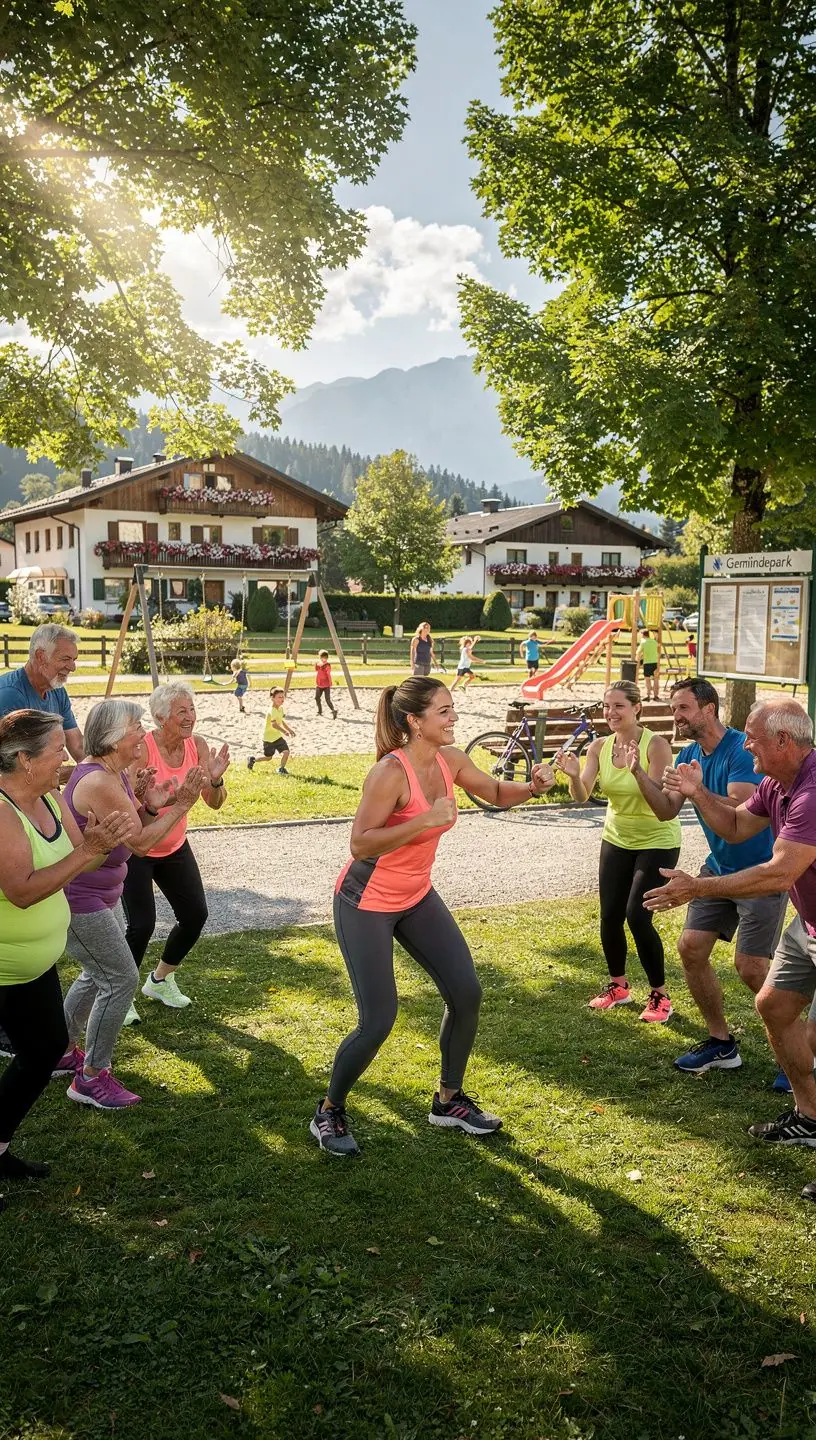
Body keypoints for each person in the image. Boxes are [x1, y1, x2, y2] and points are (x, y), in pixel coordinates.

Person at [310, 676, 556, 1157]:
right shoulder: (390, 773)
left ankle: (448, 1100)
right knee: (378, 1020)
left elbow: (495, 791)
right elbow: (360, 842)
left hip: (416, 894)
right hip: (366, 901)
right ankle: (329, 1110)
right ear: (414, 722)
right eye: (443, 712)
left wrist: (531, 786)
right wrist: (422, 820)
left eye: (452, 709)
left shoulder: (451, 760)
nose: (454, 719)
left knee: (466, 993)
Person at [643, 700, 816, 1193]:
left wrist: (697, 888)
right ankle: (809, 1116)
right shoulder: (776, 784)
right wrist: (698, 794)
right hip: (809, 925)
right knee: (774, 1006)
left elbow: (781, 871)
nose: (748, 744)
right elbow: (738, 826)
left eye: (756, 738)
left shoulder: (812, 791)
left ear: (784, 741)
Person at [629, 678, 787, 1075]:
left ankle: (801, 1050)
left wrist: (697, 790)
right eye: (673, 708)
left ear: (708, 709)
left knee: (751, 968)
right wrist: (637, 774)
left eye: (682, 708)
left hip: (760, 873)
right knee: (691, 948)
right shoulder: (688, 754)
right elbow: (666, 810)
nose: (675, 716)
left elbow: (739, 811)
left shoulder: (740, 749)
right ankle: (721, 1044)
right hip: (718, 868)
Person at [0, 710, 132, 1189]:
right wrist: (85, 853)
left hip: (34, 967)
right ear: (23, 759)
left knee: (43, 1053)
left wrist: (105, 840)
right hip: (3, 970)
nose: (67, 756)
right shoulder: (2, 810)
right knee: (38, 1053)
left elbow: (85, 855)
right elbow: (22, 890)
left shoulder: (51, 797)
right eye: (57, 749)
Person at [61, 699, 206, 1106]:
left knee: (95, 975)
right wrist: (183, 803)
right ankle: (90, 1077)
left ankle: (60, 1048)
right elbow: (141, 843)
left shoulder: (115, 774)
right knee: (121, 978)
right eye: (135, 727)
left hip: (96, 897)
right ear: (111, 739)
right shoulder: (101, 782)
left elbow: (133, 825)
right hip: (81, 900)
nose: (142, 734)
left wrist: (147, 804)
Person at [554, 680, 681, 1021]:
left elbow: (660, 803)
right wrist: (573, 775)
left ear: (636, 708)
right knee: (610, 914)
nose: (610, 713)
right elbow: (582, 795)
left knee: (638, 915)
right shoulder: (598, 746)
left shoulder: (656, 746)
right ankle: (618, 987)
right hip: (617, 838)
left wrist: (635, 768)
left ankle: (660, 995)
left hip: (657, 839)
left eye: (618, 706)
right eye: (606, 706)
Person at [0, 624, 84, 1062]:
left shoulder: (56, 692)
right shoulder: (7, 695)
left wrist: (99, 770)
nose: (71, 666)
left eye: (74, 658)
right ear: (38, 656)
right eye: (64, 659)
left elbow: (75, 746)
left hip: (33, 794)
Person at [122, 682, 228, 1015]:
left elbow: (215, 803)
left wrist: (215, 780)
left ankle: (159, 980)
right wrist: (159, 798)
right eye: (182, 711)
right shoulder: (142, 749)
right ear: (160, 716)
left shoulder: (197, 745)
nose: (190, 717)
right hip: (139, 847)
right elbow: (128, 808)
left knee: (195, 915)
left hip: (174, 845)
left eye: (192, 709)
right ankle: (120, 995)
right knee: (141, 926)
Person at [247, 688, 295, 774]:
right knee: (268, 758)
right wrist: (284, 731)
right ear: (272, 698)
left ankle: (281, 769)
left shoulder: (280, 709)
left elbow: (281, 721)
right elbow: (274, 724)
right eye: (279, 697)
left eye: (283, 697)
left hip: (277, 737)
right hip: (268, 739)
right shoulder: (271, 710)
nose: (282, 699)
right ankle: (253, 760)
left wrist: (289, 730)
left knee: (286, 752)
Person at [636, 629, 660, 700]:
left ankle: (648, 695)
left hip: (647, 663)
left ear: (643, 635)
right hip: (655, 663)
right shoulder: (654, 642)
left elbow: (638, 652)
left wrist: (638, 660)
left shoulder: (643, 642)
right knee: (656, 680)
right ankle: (656, 696)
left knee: (647, 680)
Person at [314, 651, 337, 718]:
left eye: (325, 658)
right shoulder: (319, 664)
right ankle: (320, 711)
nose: (323, 659)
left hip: (326, 685)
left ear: (327, 658)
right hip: (319, 684)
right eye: (322, 658)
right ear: (320, 658)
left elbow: (328, 674)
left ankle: (333, 710)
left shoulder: (327, 665)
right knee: (317, 698)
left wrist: (330, 682)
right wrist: (316, 665)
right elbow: (316, 670)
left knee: (327, 699)